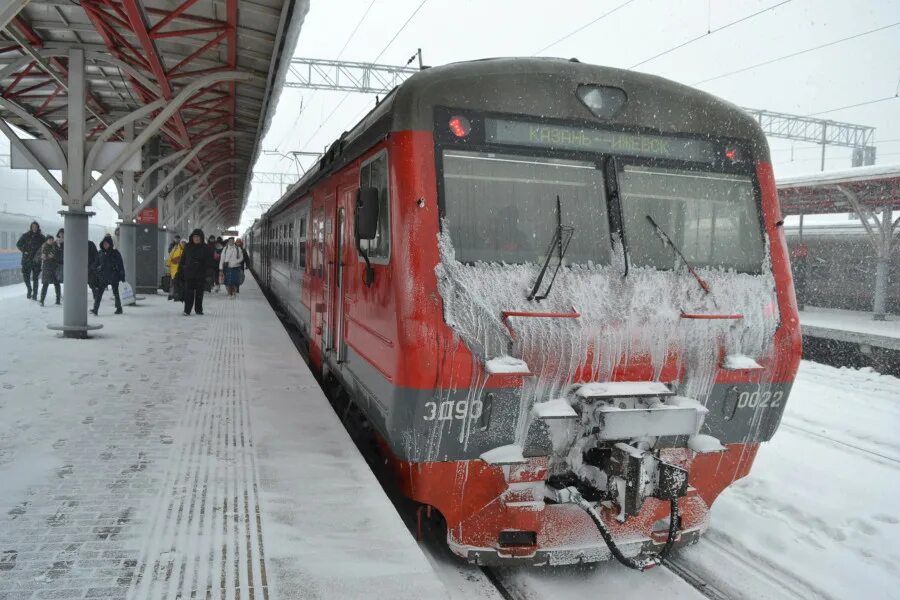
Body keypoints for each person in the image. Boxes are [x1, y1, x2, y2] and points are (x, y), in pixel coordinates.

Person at [179, 229, 214, 315]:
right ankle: (187, 310)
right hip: (189, 274)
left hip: (200, 274)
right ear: (192, 238)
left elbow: (209, 261)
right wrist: (181, 269)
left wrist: (208, 273)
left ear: (201, 238)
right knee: (189, 293)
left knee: (199, 293)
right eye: (195, 237)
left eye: (198, 237)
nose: (196, 239)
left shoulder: (206, 248)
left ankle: (198, 310)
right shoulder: (187, 247)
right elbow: (183, 259)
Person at [91, 234, 125, 315]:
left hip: (114, 276)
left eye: (107, 243)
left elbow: (120, 265)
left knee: (116, 293)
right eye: (104, 243)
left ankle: (119, 308)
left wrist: (122, 276)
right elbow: (95, 264)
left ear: (110, 244)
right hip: (103, 277)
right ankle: (95, 309)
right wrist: (97, 271)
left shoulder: (115, 253)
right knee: (99, 293)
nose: (105, 245)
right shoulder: (100, 253)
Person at [16, 221, 43, 300]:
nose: (34, 228)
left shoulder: (41, 237)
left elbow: (45, 246)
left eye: (36, 227)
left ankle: (34, 294)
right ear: (31, 227)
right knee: (26, 276)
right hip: (26, 260)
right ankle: (29, 289)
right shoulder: (25, 236)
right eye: (33, 227)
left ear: (38, 227)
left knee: (35, 278)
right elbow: (18, 244)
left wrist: (41, 254)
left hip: (36, 261)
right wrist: (25, 251)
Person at [38, 235, 62, 306]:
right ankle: (42, 300)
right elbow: (45, 257)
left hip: (54, 268)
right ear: (46, 240)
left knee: (57, 284)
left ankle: (58, 300)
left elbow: (56, 255)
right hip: (47, 268)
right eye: (49, 240)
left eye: (52, 239)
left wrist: (56, 248)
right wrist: (50, 256)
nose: (51, 241)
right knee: (46, 284)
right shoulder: (44, 247)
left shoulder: (55, 246)